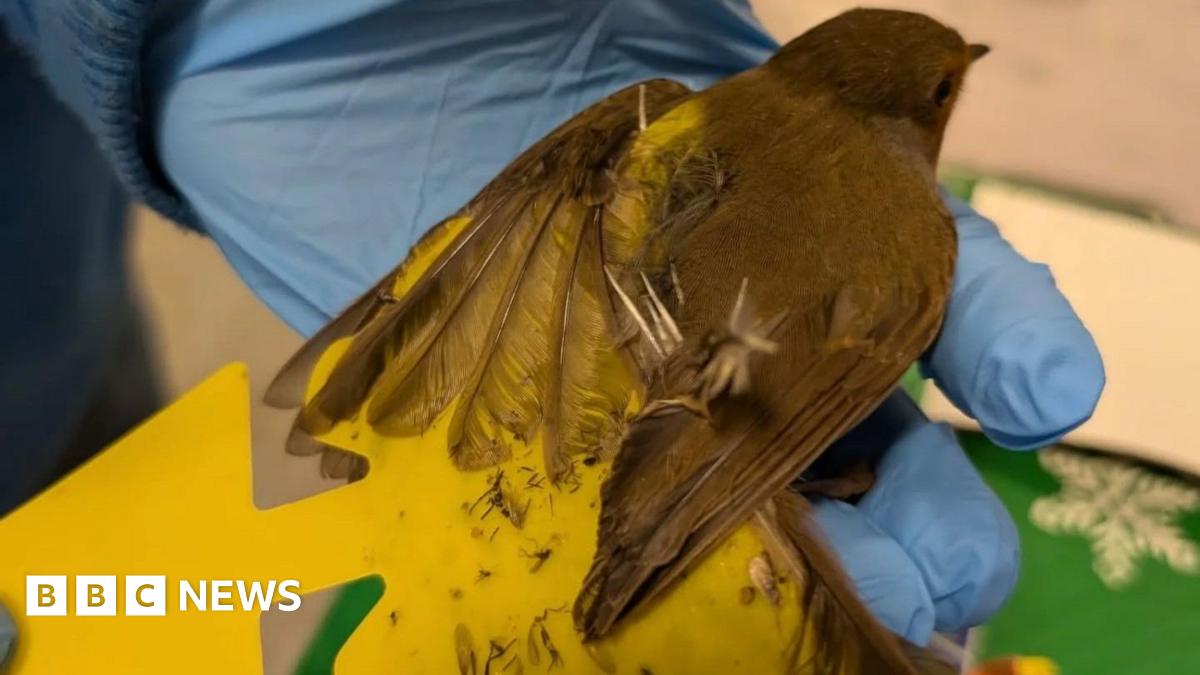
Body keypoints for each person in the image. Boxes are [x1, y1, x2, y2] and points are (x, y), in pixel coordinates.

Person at [0, 0, 1104, 664]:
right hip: (680, 431)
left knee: (70, 418)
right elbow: (764, 396)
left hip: (45, 272)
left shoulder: (706, 125)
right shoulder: (909, 231)